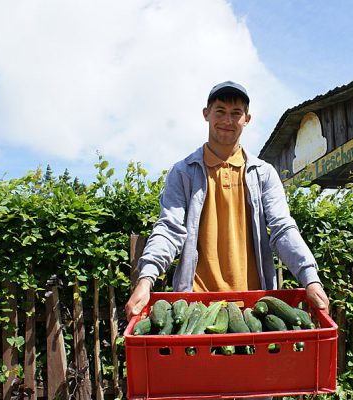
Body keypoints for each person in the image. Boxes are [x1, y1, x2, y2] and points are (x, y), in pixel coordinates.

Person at [124, 81, 328, 318]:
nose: (227, 121)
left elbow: (283, 229)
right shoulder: (183, 173)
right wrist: (146, 278)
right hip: (196, 307)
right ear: (206, 114)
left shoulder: (262, 174)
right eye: (220, 111)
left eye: (236, 113)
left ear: (247, 119)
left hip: (254, 307)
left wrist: (310, 279)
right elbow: (169, 229)